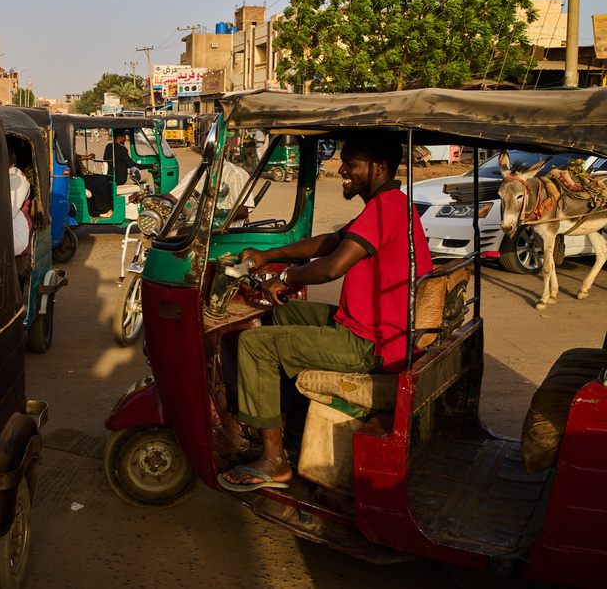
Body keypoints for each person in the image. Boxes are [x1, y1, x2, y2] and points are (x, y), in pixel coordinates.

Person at [217, 136, 433, 492]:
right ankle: (286, 421)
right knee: (285, 316)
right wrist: (271, 255)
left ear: (379, 167)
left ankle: (273, 460)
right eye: (343, 162)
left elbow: (332, 267)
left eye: (352, 163)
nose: (342, 170)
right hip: (373, 328)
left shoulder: (385, 208)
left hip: (374, 344)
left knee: (256, 345)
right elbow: (329, 242)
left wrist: (284, 277)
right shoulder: (390, 204)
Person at [168, 157, 254, 225]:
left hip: (222, 232)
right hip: (195, 229)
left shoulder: (236, 174)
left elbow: (243, 211)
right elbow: (173, 196)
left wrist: (215, 213)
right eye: (204, 148)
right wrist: (156, 200)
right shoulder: (196, 172)